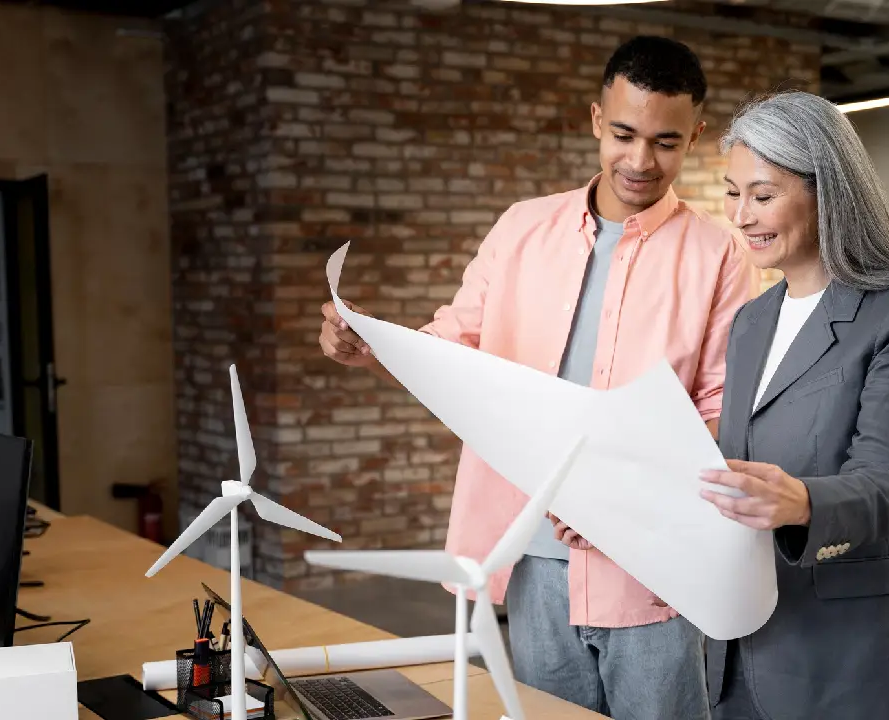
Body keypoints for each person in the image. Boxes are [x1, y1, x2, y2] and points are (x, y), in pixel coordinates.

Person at [319, 36, 755, 720]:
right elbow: (452, 345)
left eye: (666, 142)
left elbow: (722, 410)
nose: (640, 160)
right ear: (594, 121)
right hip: (530, 558)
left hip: (650, 567)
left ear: (696, 136)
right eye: (623, 134)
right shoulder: (522, 227)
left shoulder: (719, 255)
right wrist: (368, 341)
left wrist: (621, 496)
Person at [698, 90, 889, 720]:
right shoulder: (750, 322)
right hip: (741, 647)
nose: (741, 216)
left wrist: (803, 501)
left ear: (829, 191)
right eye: (732, 192)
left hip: (849, 657)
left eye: (762, 195)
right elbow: (731, 468)